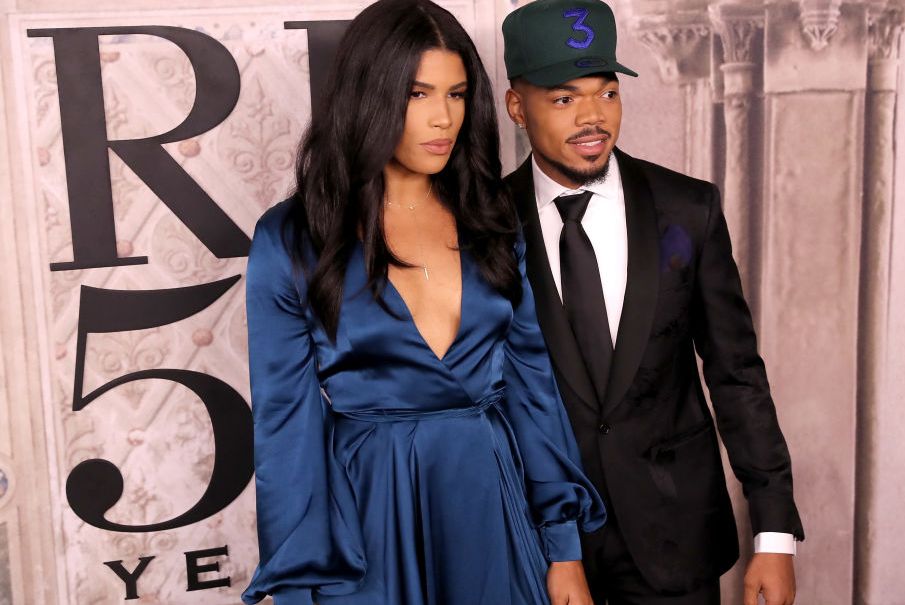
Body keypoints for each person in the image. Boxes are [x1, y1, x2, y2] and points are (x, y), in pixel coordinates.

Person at [240, 1, 605, 603]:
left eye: (457, 95)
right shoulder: (292, 239)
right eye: (418, 94)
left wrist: (564, 549)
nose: (444, 119)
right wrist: (297, 583)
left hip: (492, 503)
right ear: (369, 96)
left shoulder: (490, 216)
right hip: (369, 518)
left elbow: (533, 389)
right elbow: (286, 427)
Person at [500, 1, 804, 604]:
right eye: (564, 99)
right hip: (537, 547)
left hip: (675, 540)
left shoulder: (688, 209)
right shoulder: (482, 222)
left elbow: (736, 374)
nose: (593, 118)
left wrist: (773, 533)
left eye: (606, 93)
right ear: (517, 105)